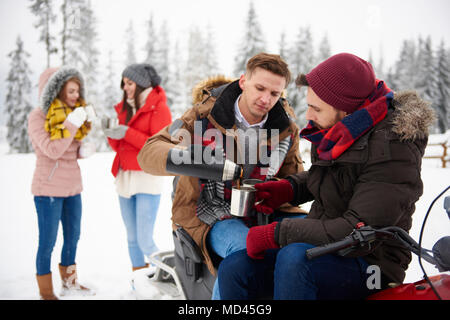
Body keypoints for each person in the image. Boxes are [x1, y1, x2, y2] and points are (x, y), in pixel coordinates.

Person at [217, 52, 435, 300]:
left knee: (295, 259)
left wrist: (275, 233)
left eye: (315, 108)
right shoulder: (346, 130)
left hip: (371, 264)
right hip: (326, 247)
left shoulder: (393, 146)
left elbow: (358, 229)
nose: (308, 115)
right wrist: (290, 189)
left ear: (346, 108)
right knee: (236, 268)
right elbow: (337, 177)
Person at [137, 53, 306, 299]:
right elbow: (149, 152)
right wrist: (194, 158)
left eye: (274, 94)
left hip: (265, 210)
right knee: (245, 251)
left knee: (308, 245)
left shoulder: (286, 128)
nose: (265, 99)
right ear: (243, 82)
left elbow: (294, 182)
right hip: (209, 213)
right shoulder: (202, 117)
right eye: (260, 88)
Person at [28, 67, 96, 300]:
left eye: (78, 90)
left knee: (73, 236)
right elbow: (52, 150)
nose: (76, 95)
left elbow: (70, 150)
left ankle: (70, 283)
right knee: (47, 241)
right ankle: (46, 292)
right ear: (54, 90)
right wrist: (71, 124)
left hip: (72, 188)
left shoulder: (73, 114)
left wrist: (84, 149)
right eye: (71, 90)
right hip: (47, 189)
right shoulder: (38, 117)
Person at [102, 63, 172, 273]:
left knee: (144, 239)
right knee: (132, 238)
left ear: (141, 84)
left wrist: (126, 133)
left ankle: (166, 276)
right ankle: (138, 283)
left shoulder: (159, 108)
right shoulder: (125, 107)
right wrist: (111, 133)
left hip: (147, 178)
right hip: (125, 178)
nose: (125, 88)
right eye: (124, 83)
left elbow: (158, 145)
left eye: (129, 83)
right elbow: (119, 147)